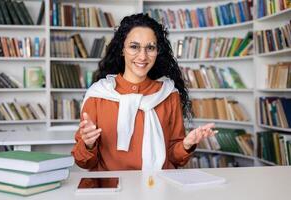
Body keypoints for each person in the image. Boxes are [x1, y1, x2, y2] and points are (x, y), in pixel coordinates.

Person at [71, 13, 217, 171]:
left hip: (158, 187)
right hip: (113, 191)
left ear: (157, 51)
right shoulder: (98, 95)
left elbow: (175, 158)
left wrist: (187, 145)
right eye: (134, 47)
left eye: (150, 48)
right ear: (122, 49)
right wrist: (88, 144)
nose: (143, 56)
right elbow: (83, 162)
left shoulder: (168, 94)